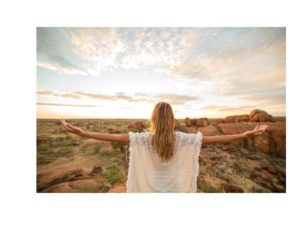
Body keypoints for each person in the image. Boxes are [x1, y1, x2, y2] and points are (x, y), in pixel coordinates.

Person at [60, 102, 268, 193]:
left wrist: (83, 133)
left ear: (153, 119)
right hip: (176, 191)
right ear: (172, 119)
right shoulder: (184, 139)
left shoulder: (142, 139)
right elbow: (217, 140)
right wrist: (244, 134)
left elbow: (112, 136)